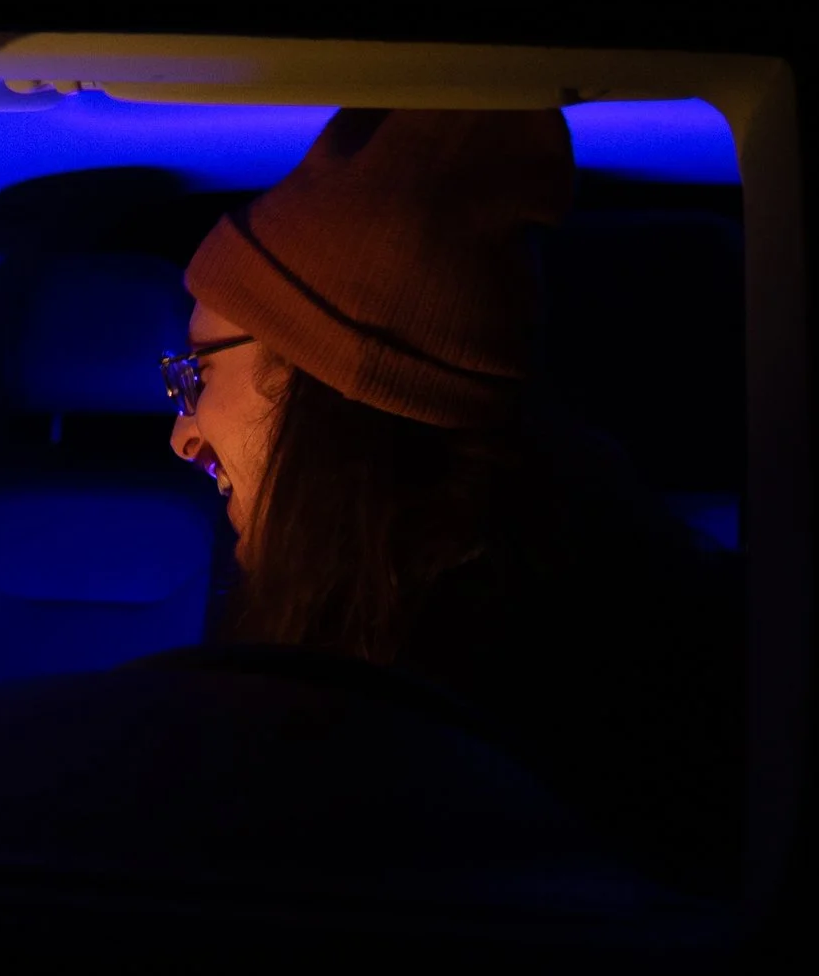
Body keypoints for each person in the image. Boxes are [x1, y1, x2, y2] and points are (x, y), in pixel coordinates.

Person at [161, 105, 743, 890]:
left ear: (327, 384)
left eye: (198, 374)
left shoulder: (408, 737)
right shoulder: (596, 603)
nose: (182, 436)